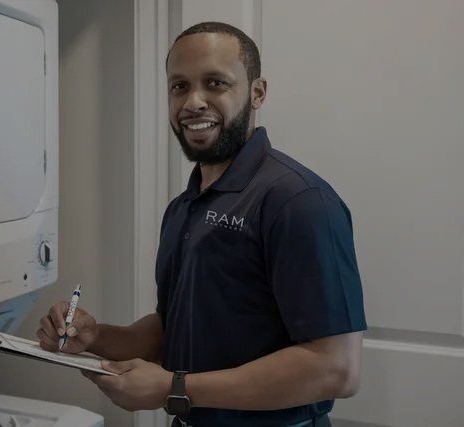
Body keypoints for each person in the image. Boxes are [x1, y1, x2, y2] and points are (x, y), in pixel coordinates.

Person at [37, 21, 367, 427]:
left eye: (215, 83)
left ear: (257, 92)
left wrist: (173, 387)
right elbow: (173, 328)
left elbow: (336, 368)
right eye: (179, 86)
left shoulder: (298, 201)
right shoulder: (183, 207)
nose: (193, 102)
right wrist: (96, 336)